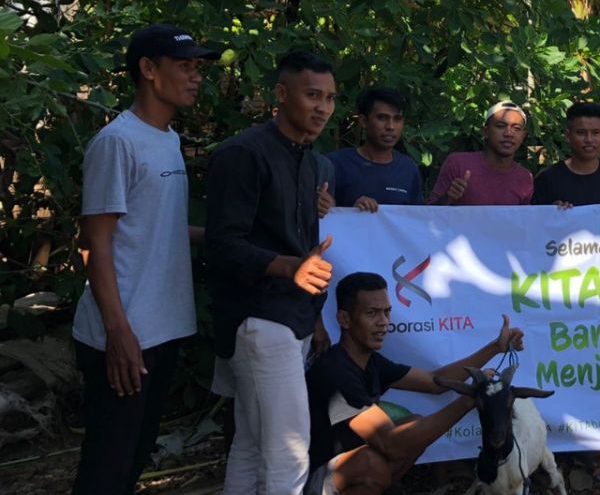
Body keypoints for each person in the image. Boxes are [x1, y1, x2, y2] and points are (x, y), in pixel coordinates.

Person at [71, 24, 218, 495]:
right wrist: (118, 333)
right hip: (124, 332)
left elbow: (161, 229)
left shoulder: (168, 140)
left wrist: (234, 242)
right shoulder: (118, 142)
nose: (195, 77)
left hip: (163, 326)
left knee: (134, 458)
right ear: (148, 70)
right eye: (184, 67)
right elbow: (96, 243)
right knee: (106, 466)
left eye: (198, 68)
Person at [205, 50, 338, 495]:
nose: (322, 107)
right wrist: (288, 267)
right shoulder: (243, 154)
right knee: (290, 450)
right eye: (312, 95)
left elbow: (305, 245)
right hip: (258, 319)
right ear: (281, 95)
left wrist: (316, 316)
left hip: (294, 319)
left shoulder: (316, 163)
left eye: (331, 98)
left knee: (251, 442)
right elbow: (222, 244)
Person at [305, 272, 526, 494]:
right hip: (308, 478)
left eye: (386, 312)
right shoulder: (335, 370)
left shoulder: (369, 361)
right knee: (375, 464)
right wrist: (468, 400)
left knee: (414, 426)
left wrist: (495, 347)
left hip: (340, 467)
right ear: (344, 319)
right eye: (372, 313)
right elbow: (393, 444)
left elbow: (435, 382)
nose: (383, 322)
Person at [327, 87, 423, 211]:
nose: (391, 126)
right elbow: (319, 215)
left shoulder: (408, 169)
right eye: (382, 118)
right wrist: (351, 213)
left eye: (397, 119)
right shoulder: (334, 164)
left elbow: (417, 221)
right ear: (363, 121)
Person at [428, 100, 533, 206]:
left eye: (516, 128)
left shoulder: (525, 178)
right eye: (501, 126)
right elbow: (428, 215)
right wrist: (448, 197)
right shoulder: (458, 163)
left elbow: (524, 220)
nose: (509, 133)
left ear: (523, 136)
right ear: (485, 132)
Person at [533, 102, 600, 208]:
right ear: (567, 136)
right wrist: (552, 213)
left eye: (595, 133)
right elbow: (537, 221)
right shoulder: (547, 180)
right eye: (581, 133)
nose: (589, 139)